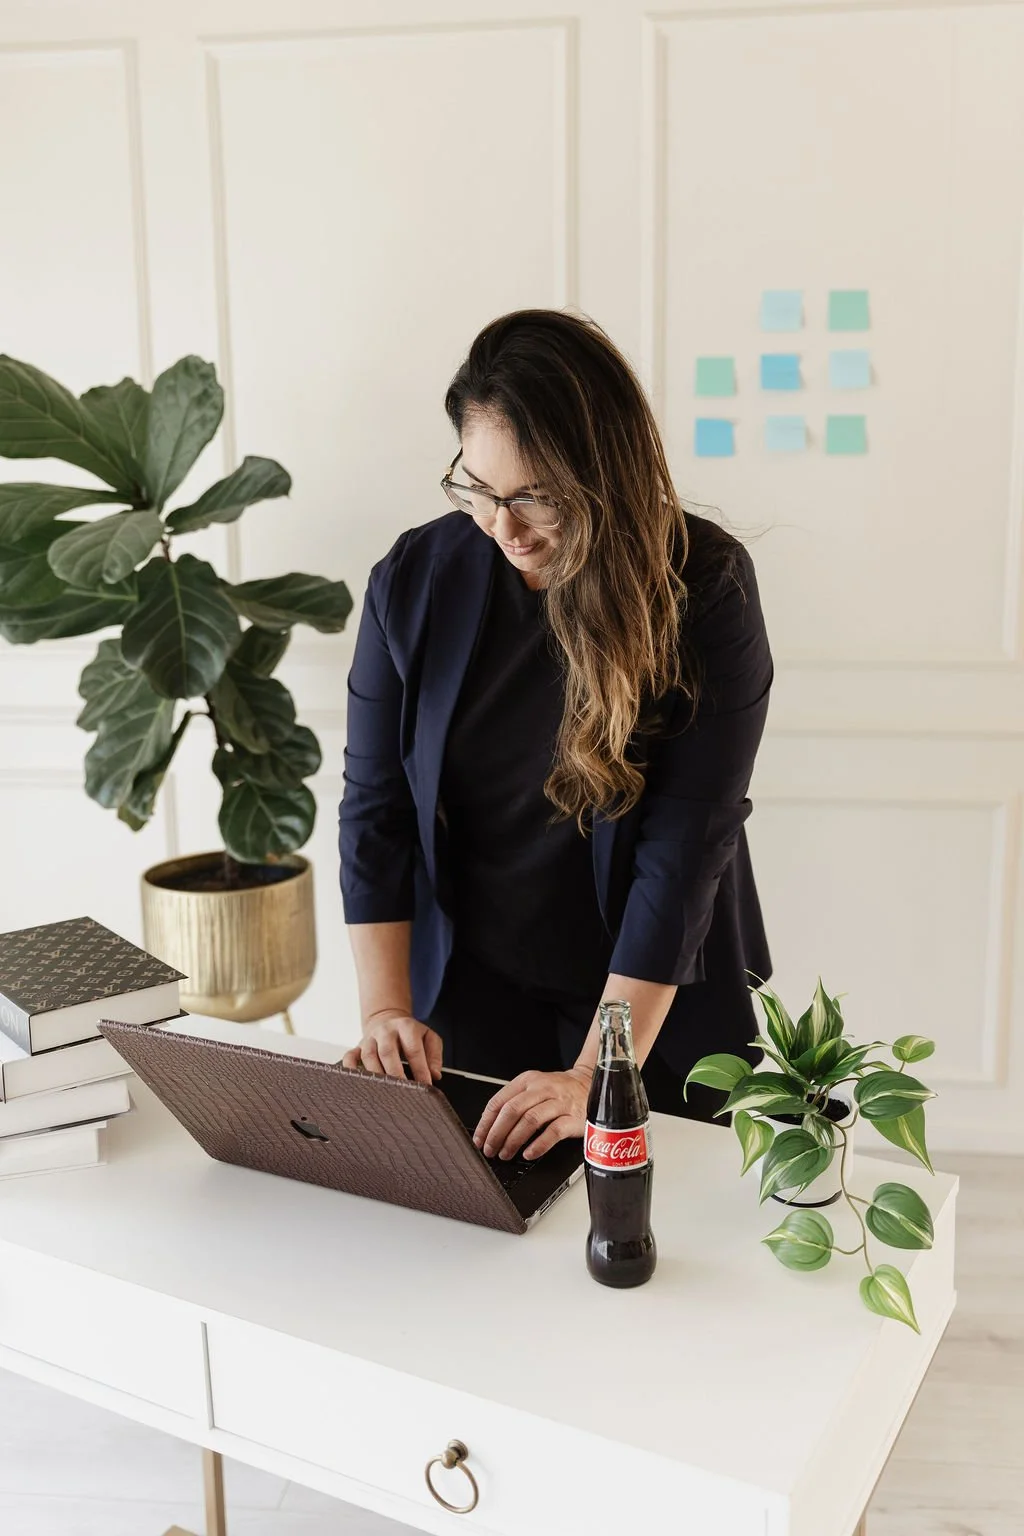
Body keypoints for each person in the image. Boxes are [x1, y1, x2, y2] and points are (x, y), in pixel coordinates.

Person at [339, 308, 773, 1165]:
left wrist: (596, 1075)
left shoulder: (705, 587)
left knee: (655, 1257)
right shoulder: (414, 579)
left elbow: (686, 847)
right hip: (473, 984)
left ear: (604, 474)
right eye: (478, 487)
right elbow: (375, 808)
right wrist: (387, 1010)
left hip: (653, 994)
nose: (506, 526)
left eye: (537, 495)